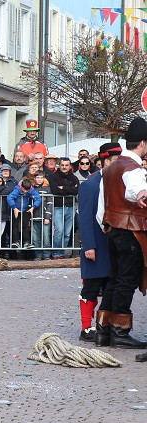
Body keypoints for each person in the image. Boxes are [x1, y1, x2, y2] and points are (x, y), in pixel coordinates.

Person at [95, 118, 147, 351]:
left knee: (115, 280)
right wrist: (142, 192)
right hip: (131, 231)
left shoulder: (112, 167)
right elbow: (137, 189)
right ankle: (120, 331)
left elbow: (101, 207)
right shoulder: (132, 168)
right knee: (127, 280)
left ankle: (103, 330)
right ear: (143, 144)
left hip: (113, 229)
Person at [77, 143, 114, 344]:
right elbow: (85, 218)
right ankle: (86, 326)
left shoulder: (119, 183)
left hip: (114, 245)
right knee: (91, 287)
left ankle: (105, 325)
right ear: (106, 162)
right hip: (96, 244)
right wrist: (89, 245)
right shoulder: (89, 185)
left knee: (111, 287)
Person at [48, 156, 79, 259]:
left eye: (66, 165)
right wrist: (70, 188)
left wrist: (63, 188)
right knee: (59, 231)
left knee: (67, 233)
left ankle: (62, 252)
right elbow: (55, 191)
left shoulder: (74, 177)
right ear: (59, 165)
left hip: (70, 207)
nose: (64, 167)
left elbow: (77, 190)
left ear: (70, 166)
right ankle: (56, 252)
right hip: (58, 207)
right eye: (62, 165)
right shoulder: (53, 176)